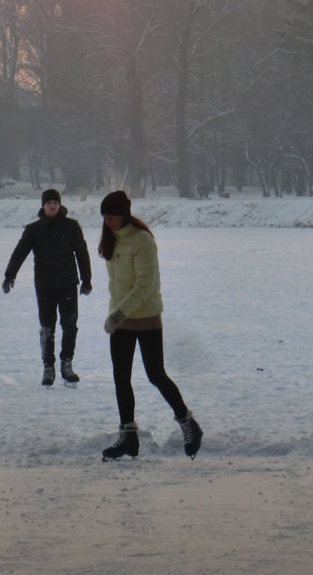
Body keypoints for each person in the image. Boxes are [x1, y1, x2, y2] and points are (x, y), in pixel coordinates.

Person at [98, 190, 203, 460]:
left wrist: (118, 314)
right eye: (105, 216)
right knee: (121, 378)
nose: (107, 221)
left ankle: (188, 422)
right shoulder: (112, 239)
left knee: (155, 374)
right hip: (120, 320)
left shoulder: (142, 240)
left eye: (111, 215)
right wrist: (117, 314)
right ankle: (128, 436)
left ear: (124, 215)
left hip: (145, 319)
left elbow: (145, 285)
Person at [2, 189, 92, 387]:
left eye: (55, 202)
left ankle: (67, 364)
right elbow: (20, 252)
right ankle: (48, 367)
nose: (52, 205)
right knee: (47, 327)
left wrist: (87, 280)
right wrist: (10, 275)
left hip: (68, 283)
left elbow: (82, 253)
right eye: (49, 202)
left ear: (60, 205)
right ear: (43, 206)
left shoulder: (71, 226)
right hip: (45, 285)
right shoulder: (34, 229)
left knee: (69, 325)